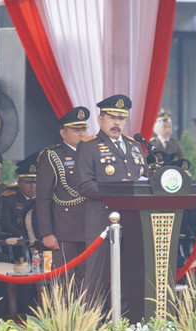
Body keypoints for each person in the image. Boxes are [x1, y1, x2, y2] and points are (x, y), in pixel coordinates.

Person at [76, 94, 146, 313]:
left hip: (132, 220)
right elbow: (85, 184)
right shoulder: (89, 146)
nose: (117, 123)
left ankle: (126, 323)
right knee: (96, 274)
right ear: (100, 119)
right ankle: (90, 325)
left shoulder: (135, 147)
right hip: (101, 219)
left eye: (122, 118)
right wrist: (117, 191)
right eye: (112, 118)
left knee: (129, 273)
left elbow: (144, 180)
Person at [36, 107, 89, 285]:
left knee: (88, 280)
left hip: (90, 227)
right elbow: (43, 198)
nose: (82, 134)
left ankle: (88, 314)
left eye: (84, 129)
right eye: (76, 130)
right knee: (64, 281)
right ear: (63, 133)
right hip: (64, 230)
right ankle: (64, 314)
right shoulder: (52, 156)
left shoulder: (93, 154)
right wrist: (47, 233)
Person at [0, 156, 37, 238]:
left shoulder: (45, 201)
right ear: (19, 182)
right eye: (28, 182)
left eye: (36, 182)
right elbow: (6, 224)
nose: (33, 186)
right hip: (18, 243)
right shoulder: (9, 199)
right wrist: (25, 236)